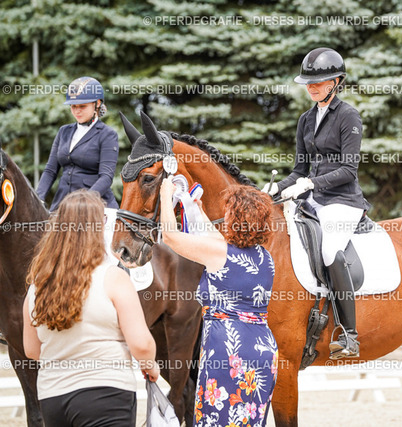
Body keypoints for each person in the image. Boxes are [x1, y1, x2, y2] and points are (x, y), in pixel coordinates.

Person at [263, 47, 370, 359]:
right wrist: (273, 190)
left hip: (343, 201)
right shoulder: (306, 120)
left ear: (336, 82)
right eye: (308, 82)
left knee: (329, 250)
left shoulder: (348, 116)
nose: (311, 87)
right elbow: (299, 170)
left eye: (318, 82)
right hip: (312, 200)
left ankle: (349, 335)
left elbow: (348, 169)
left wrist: (312, 183)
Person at [23, 189, 159, 427]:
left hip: (53, 397)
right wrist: (151, 366)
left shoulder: (37, 285)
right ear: (98, 226)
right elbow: (142, 345)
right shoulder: (113, 277)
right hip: (105, 392)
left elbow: (32, 350)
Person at [159, 181, 278, 427]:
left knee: (218, 418)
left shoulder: (219, 252)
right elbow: (212, 238)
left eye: (228, 212)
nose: (224, 216)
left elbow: (170, 236)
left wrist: (164, 195)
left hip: (228, 349)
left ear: (235, 218)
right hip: (262, 348)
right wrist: (196, 209)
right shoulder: (265, 257)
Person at [37, 76, 119, 211]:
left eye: (82, 106)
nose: (77, 111)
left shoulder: (107, 134)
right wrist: (38, 198)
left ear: (97, 103)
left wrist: (85, 202)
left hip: (95, 205)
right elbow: (50, 170)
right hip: (62, 203)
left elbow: (106, 177)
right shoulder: (63, 131)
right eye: (73, 106)